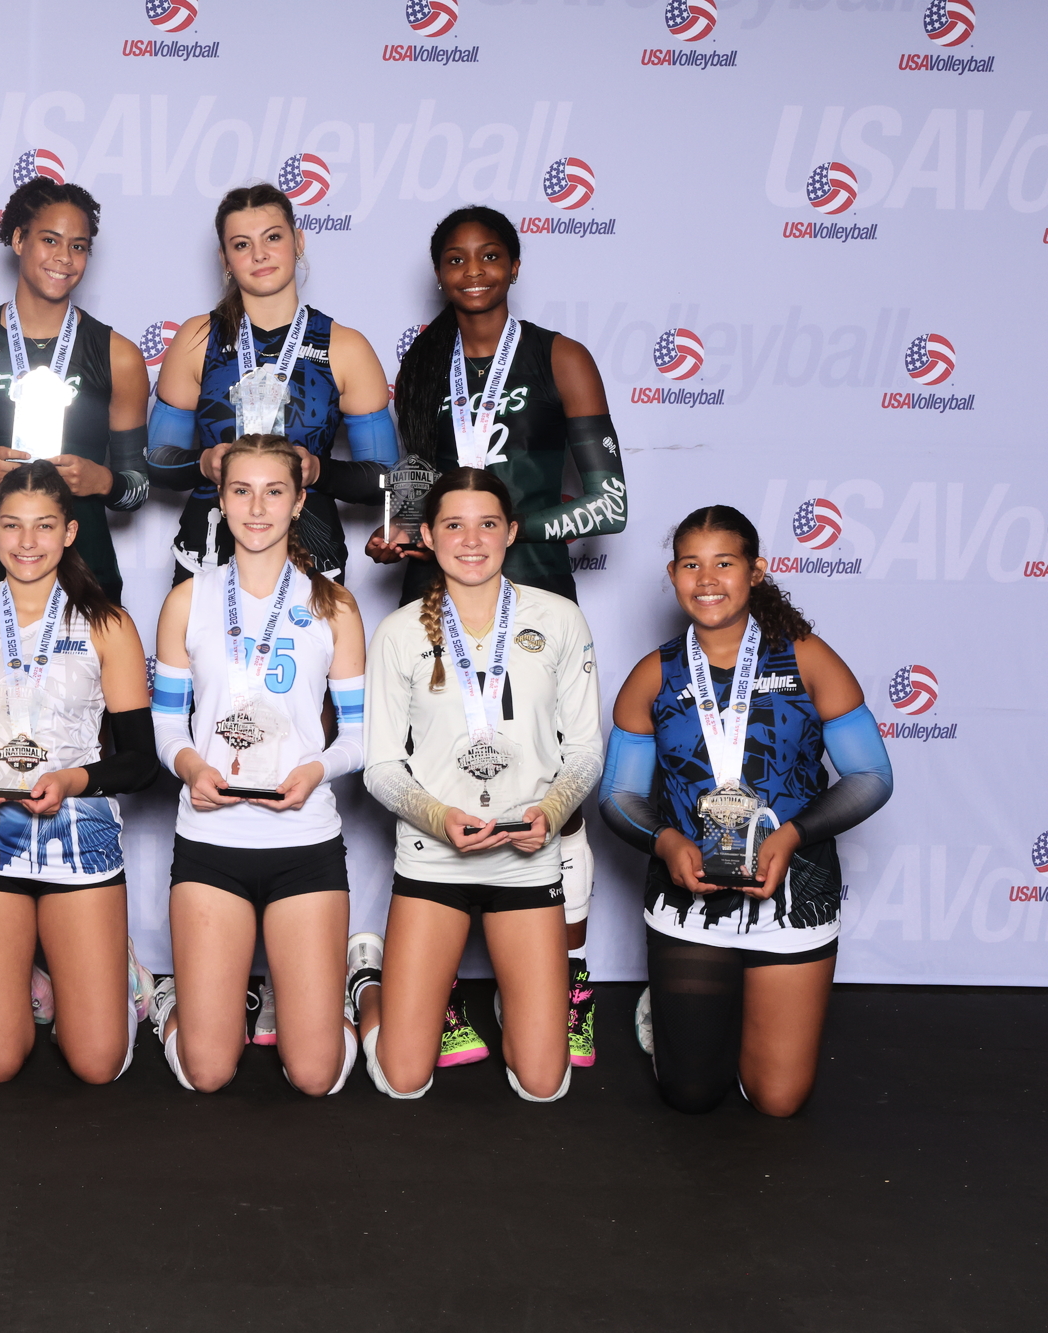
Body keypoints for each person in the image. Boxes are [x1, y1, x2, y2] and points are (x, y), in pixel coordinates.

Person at [369, 205, 627, 1067]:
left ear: (514, 266)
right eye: (455, 259)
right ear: (438, 272)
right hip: (435, 593)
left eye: (488, 257)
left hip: (535, 592)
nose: (472, 271)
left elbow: (611, 502)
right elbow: (414, 477)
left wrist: (497, 531)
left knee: (557, 788)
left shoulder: (561, 357)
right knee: (429, 771)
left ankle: (570, 989)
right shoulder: (423, 360)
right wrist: (408, 530)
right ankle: (432, 993)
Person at [600, 506, 891, 1116]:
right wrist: (667, 844)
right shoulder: (653, 675)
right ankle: (674, 1018)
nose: (707, 580)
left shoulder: (806, 658)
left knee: (778, 1101)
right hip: (689, 896)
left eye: (724, 563)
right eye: (690, 564)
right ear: (673, 576)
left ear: (756, 571)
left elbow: (871, 777)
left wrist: (792, 836)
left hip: (794, 888)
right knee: (690, 1095)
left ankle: (717, 1021)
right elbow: (619, 797)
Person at [358, 468, 601, 1102]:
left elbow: (585, 752)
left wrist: (552, 811)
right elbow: (380, 767)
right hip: (434, 857)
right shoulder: (399, 631)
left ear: (511, 532)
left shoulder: (559, 618)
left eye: (487, 524)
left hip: (526, 857)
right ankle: (367, 986)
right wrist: (439, 819)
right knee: (403, 1080)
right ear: (428, 538)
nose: (472, 540)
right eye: (454, 525)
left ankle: (522, 1005)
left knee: (545, 1084)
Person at [0, 462, 160, 1082]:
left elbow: (139, 761)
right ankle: (32, 976)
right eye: (13, 526)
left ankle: (115, 972)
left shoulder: (108, 624)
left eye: (45, 526)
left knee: (97, 1063)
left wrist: (74, 780)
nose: (28, 542)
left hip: (79, 837)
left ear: (70, 532)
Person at [147, 437, 367, 1096]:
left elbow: (359, 736)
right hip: (211, 840)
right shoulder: (188, 600)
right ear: (221, 500)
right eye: (241, 490)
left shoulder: (334, 604)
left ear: (299, 503)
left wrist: (315, 771)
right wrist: (191, 765)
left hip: (304, 841)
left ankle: (354, 988)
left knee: (315, 1075)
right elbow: (165, 725)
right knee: (208, 1071)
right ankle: (169, 1001)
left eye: (275, 491)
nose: (257, 507)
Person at [147, 183, 394, 586]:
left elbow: (385, 478)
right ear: (225, 258)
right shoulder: (197, 339)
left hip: (312, 561)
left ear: (298, 241)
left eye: (273, 237)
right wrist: (203, 463)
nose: (259, 254)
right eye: (242, 244)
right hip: (207, 557)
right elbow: (156, 460)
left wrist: (318, 471)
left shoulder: (345, 347)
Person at [0, 176, 151, 606]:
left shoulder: (119, 356)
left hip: (86, 570)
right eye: (50, 240)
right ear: (18, 239)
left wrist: (102, 480)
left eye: (78, 246)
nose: (64, 258)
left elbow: (136, 488)